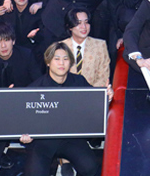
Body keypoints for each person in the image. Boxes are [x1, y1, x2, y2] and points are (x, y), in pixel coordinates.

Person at [19, 42, 111, 176]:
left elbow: (93, 104)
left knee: (90, 168)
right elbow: (24, 118)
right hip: (43, 140)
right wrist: (24, 134)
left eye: (65, 59)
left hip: (71, 137)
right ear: (48, 62)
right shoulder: (35, 88)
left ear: (71, 62)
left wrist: (106, 98)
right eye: (56, 59)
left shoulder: (79, 82)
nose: (61, 63)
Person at [0, 22, 42, 88]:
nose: (3, 46)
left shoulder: (26, 55)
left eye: (6, 40)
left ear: (13, 41)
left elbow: (38, 81)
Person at [60, 9, 110, 87]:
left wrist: (89, 92)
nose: (84, 27)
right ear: (70, 27)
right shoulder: (61, 47)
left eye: (86, 22)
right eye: (78, 23)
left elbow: (103, 77)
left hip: (93, 92)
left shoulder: (100, 45)